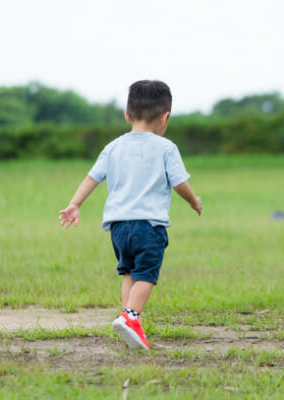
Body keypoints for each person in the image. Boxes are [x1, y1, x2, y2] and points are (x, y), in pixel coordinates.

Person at [58, 80, 202, 350]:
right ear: (165, 117)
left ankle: (129, 323)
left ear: (127, 115)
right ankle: (131, 317)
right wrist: (194, 201)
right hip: (148, 226)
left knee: (129, 273)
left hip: (118, 228)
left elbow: (92, 178)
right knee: (146, 275)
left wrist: (74, 204)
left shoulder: (113, 147)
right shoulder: (166, 148)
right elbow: (179, 183)